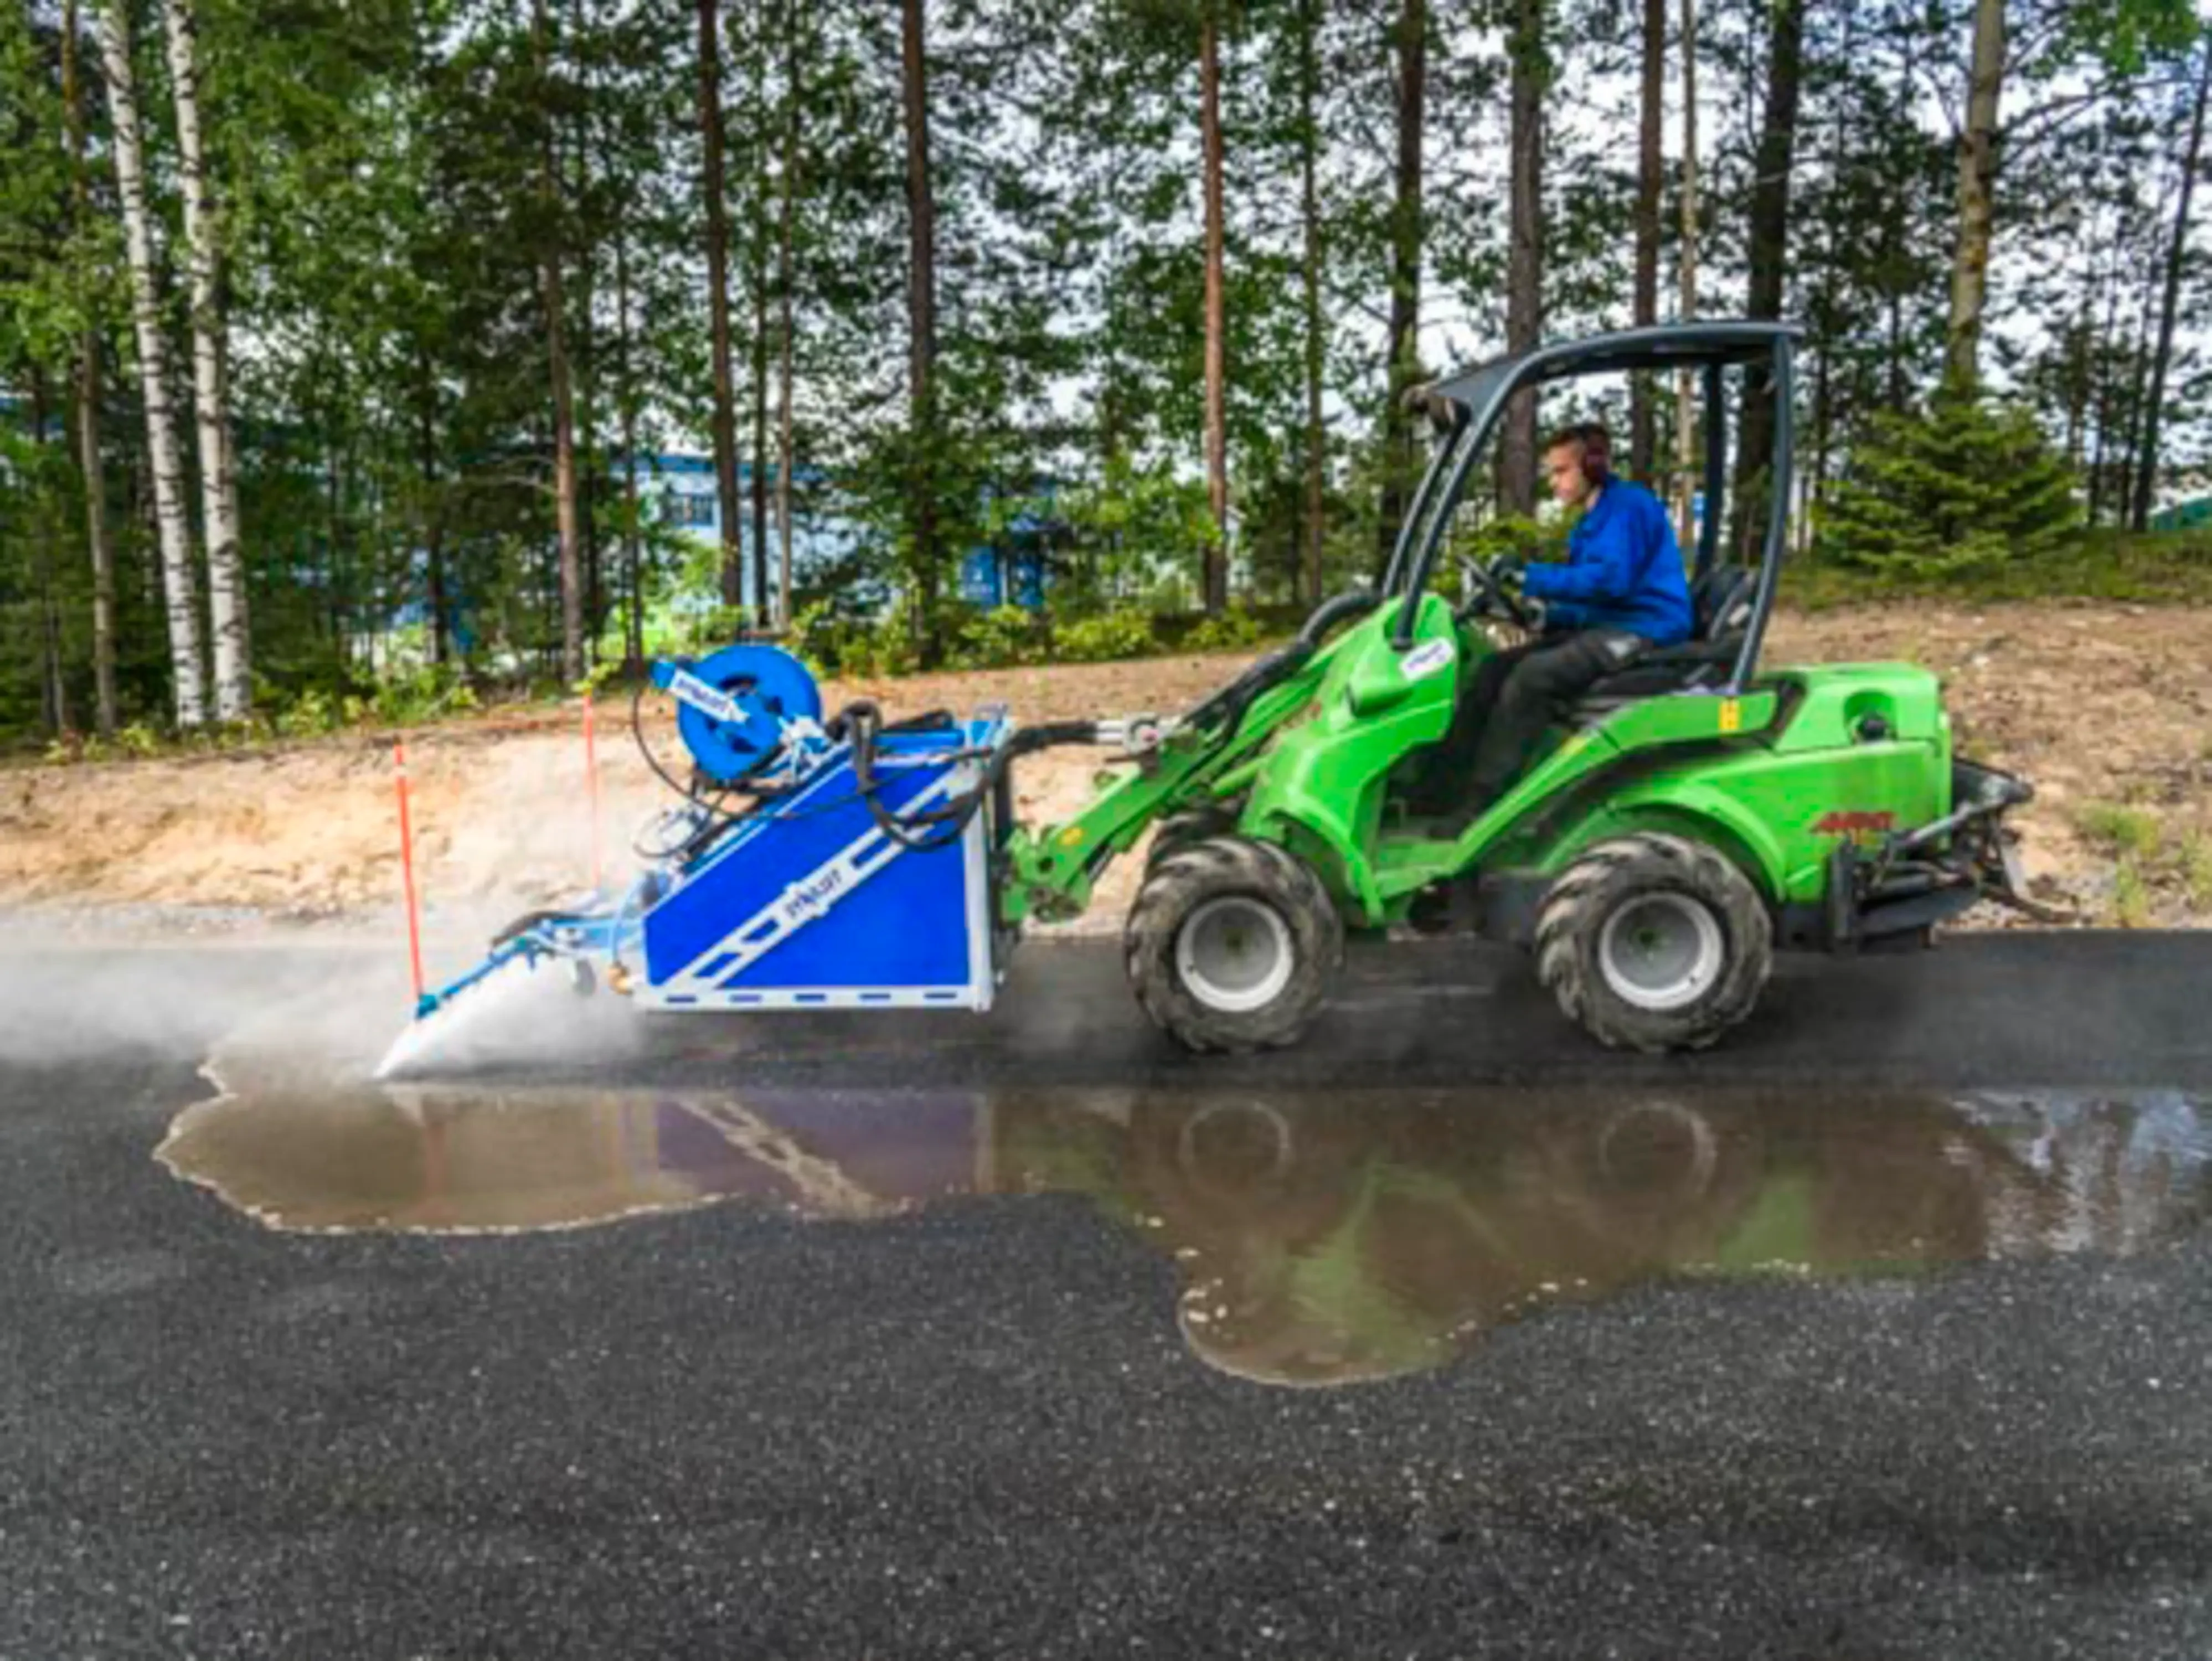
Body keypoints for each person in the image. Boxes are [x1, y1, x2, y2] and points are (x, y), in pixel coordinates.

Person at [1415, 422, 1693, 818]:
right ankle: (1436, 790)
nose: (1553, 482)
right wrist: (1546, 615)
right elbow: (1594, 597)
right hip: (1612, 622)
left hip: (1646, 628)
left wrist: (1530, 576)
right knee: (1493, 668)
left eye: (1562, 471)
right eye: (1551, 472)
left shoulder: (1627, 507)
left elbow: (1610, 582)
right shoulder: (1591, 519)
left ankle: (1484, 803)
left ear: (1593, 467)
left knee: (1533, 676)